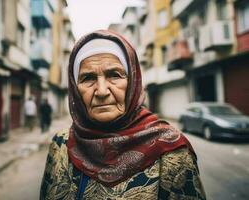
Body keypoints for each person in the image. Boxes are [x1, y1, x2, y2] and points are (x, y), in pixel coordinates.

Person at [40, 30, 206, 200]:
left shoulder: (171, 150)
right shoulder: (61, 145)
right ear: (75, 88)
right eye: (88, 78)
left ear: (132, 81)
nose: (102, 91)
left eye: (114, 75)